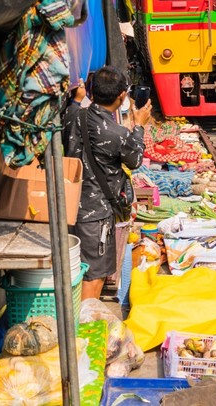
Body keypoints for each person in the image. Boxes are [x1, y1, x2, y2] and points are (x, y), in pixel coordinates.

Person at [62, 67, 148, 300]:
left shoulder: (72, 116)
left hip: (68, 205)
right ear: (122, 95)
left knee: (74, 269)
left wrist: (77, 99)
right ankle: (83, 322)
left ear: (92, 91)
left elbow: (73, 108)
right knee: (93, 276)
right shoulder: (116, 133)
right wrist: (139, 126)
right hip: (95, 214)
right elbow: (135, 160)